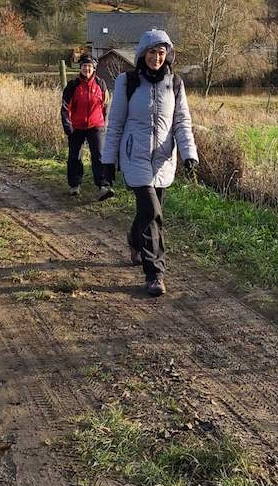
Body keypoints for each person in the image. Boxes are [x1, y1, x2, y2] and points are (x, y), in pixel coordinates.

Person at [101, 29, 198, 297]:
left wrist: (189, 154)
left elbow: (182, 122)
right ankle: (155, 273)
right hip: (135, 157)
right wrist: (108, 162)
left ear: (167, 55)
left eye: (161, 52)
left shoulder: (175, 84)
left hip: (164, 160)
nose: (157, 57)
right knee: (153, 213)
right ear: (143, 54)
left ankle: (133, 238)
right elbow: (116, 124)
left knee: (149, 214)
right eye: (152, 52)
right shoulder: (127, 82)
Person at [60, 55, 114, 199]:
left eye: (89, 66)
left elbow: (106, 105)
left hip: (96, 126)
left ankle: (103, 185)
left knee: (99, 155)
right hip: (76, 127)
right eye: (84, 66)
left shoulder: (101, 84)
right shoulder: (72, 86)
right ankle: (75, 185)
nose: (87, 69)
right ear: (80, 68)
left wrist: (103, 123)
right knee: (75, 156)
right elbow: (65, 107)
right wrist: (68, 126)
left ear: (94, 68)